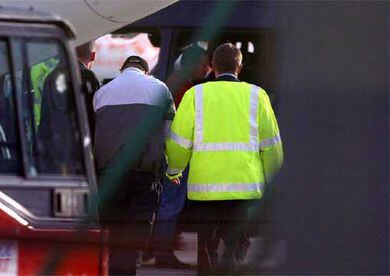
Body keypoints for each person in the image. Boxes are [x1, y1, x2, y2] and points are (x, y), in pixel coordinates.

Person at [165, 43, 283, 275]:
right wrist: (273, 180)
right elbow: (271, 145)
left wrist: (174, 171)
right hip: (244, 188)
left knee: (207, 246)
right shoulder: (257, 95)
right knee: (235, 242)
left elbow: (178, 143)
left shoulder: (195, 95)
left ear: (213, 66)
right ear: (240, 66)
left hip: (205, 189)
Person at [93, 56, 175, 275]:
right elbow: (170, 135)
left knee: (111, 232)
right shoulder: (161, 90)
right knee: (135, 236)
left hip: (108, 174)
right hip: (145, 174)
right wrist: (172, 169)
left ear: (123, 70)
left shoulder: (102, 93)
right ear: (146, 71)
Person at [149, 45, 211, 268]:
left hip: (168, 153)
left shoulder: (172, 83)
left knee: (168, 204)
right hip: (175, 157)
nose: (207, 69)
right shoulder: (182, 90)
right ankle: (162, 254)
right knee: (170, 204)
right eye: (203, 64)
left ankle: (159, 248)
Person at [76, 41, 100, 139]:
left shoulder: (53, 75)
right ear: (93, 56)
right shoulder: (88, 76)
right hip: (81, 140)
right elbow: (92, 114)